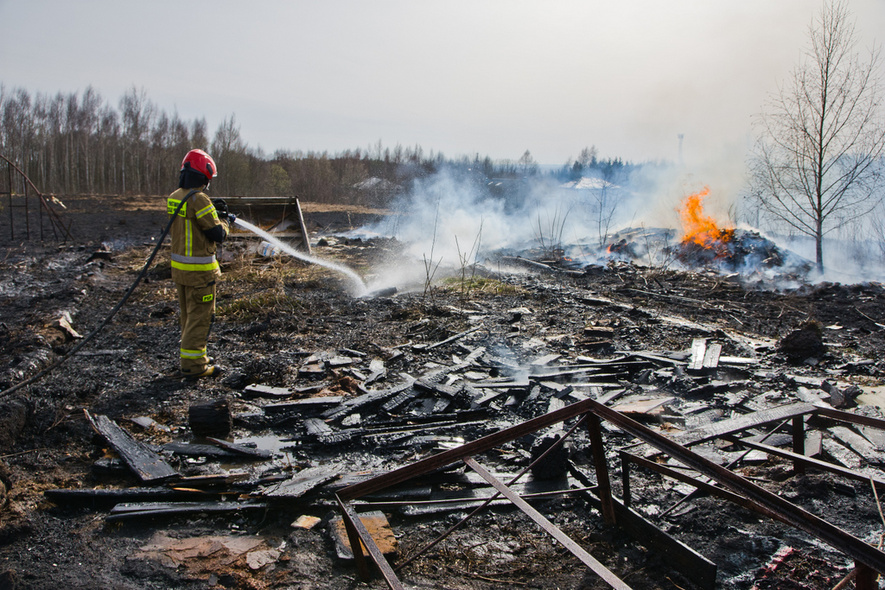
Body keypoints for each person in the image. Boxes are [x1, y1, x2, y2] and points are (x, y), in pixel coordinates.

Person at [167, 149, 235, 379]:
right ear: (204, 177)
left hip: (181, 271)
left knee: (188, 316)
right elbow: (217, 234)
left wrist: (212, 211)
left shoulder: (176, 196)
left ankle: (196, 356)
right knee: (201, 318)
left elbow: (192, 225)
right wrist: (225, 220)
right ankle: (194, 366)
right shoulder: (200, 200)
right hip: (200, 273)